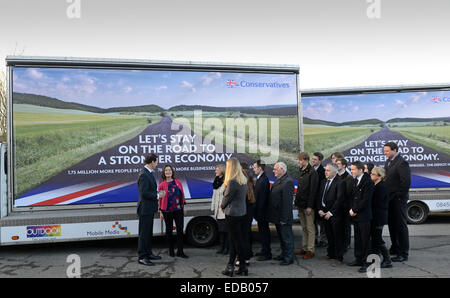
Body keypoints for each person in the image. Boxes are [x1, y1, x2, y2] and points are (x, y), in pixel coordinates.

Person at [221, 157, 248, 277]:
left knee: (235, 242)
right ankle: (236, 267)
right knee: (236, 241)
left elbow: (226, 198)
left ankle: (236, 267)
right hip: (241, 213)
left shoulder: (232, 181)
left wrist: (222, 206)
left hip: (232, 214)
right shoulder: (243, 179)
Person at [384, 141, 411, 262]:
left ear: (395, 150)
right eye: (384, 151)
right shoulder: (388, 161)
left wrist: (399, 196)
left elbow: (405, 182)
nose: (385, 153)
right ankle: (395, 247)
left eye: (387, 151)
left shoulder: (402, 162)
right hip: (390, 199)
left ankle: (403, 253)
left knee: (400, 226)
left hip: (398, 199)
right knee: (392, 225)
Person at [317, 163, 346, 265]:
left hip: (335, 214)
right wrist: (320, 209)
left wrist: (331, 212)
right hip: (324, 213)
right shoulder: (323, 181)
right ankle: (331, 254)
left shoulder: (340, 182)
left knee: (337, 236)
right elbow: (319, 197)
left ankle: (339, 257)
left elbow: (340, 199)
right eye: (325, 170)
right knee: (329, 235)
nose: (326, 172)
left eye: (328, 170)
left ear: (334, 172)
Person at [348, 161, 374, 273]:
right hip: (356, 215)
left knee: (365, 241)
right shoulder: (355, 180)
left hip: (364, 216)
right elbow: (353, 197)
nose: (352, 171)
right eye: (351, 169)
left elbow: (366, 200)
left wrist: (355, 210)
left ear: (360, 170)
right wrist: (351, 209)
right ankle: (358, 259)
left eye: (353, 169)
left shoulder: (368, 181)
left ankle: (367, 263)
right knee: (358, 239)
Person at [267, 162, 295, 266]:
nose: (273, 171)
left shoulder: (288, 182)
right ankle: (284, 254)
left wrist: (284, 218)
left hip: (283, 216)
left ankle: (289, 258)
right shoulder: (279, 180)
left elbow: (287, 203)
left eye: (275, 169)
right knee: (282, 237)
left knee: (287, 238)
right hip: (277, 215)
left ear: (282, 170)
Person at [137, 153, 162, 266]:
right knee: (144, 234)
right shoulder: (144, 175)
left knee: (148, 233)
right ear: (152, 162)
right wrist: (158, 195)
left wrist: (157, 193)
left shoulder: (149, 173)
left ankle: (148, 253)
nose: (157, 164)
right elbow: (144, 193)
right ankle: (142, 257)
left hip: (149, 209)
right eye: (156, 162)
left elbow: (149, 191)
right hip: (145, 209)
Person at [158, 165, 188, 259]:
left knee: (180, 230)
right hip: (167, 211)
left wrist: (183, 206)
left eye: (169, 170)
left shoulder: (178, 182)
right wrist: (161, 211)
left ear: (172, 172)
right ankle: (171, 250)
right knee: (169, 231)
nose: (168, 172)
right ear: (164, 173)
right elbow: (160, 199)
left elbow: (182, 195)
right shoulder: (162, 185)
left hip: (178, 210)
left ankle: (180, 251)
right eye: (166, 170)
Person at [294, 152, 319, 259]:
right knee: (303, 227)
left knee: (310, 228)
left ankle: (311, 250)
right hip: (300, 204)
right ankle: (304, 248)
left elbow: (313, 191)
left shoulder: (312, 172)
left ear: (305, 160)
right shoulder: (302, 171)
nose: (298, 162)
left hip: (308, 206)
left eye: (299, 160)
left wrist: (310, 206)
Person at [370, 167, 393, 268]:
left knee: (378, 239)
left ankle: (388, 260)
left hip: (378, 217)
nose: (371, 175)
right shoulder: (375, 185)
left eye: (373, 174)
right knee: (374, 239)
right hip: (374, 216)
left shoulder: (381, 186)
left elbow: (377, 202)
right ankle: (375, 258)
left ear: (380, 176)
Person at [253, 160, 272, 261]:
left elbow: (262, 199)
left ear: (260, 168)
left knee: (264, 233)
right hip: (260, 212)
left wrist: (258, 212)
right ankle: (263, 250)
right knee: (262, 232)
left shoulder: (264, 180)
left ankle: (267, 253)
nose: (254, 169)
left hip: (262, 212)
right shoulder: (260, 178)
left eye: (255, 167)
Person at [240, 162, 256, 267]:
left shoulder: (241, 185)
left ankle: (243, 258)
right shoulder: (251, 182)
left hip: (242, 213)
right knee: (247, 234)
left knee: (242, 236)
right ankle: (248, 256)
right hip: (249, 211)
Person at [335, 158, 354, 251]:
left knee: (346, 226)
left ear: (344, 166)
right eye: (336, 163)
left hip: (345, 206)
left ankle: (346, 244)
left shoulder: (348, 177)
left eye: (338, 163)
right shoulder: (335, 176)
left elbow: (348, 192)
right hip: (336, 206)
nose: (336, 165)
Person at [211, 164, 228, 255]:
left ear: (222, 170)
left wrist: (225, 207)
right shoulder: (216, 180)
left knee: (226, 230)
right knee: (221, 230)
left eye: (217, 169)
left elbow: (227, 196)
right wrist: (213, 207)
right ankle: (221, 247)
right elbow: (214, 195)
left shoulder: (226, 181)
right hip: (218, 210)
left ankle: (226, 248)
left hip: (224, 210)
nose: (215, 171)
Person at [312, 152, 327, 248]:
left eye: (315, 159)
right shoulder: (311, 169)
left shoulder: (323, 171)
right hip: (312, 200)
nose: (313, 161)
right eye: (312, 159)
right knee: (313, 221)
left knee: (322, 222)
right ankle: (315, 238)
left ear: (320, 161)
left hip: (320, 199)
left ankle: (323, 240)